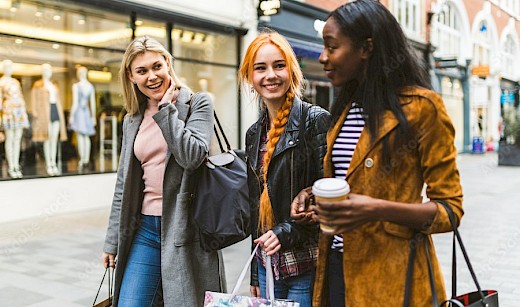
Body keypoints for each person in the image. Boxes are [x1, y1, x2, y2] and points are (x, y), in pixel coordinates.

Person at [290, 1, 463, 306]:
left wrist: (376, 208)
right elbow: (353, 181)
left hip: (393, 279)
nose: (323, 57)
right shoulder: (345, 107)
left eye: (332, 47)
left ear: (366, 48)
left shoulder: (423, 108)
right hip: (336, 269)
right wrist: (313, 195)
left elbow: (450, 211)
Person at [101, 36, 223, 307]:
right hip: (144, 228)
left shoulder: (197, 103)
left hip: (186, 227)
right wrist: (112, 241)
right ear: (131, 77)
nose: (152, 76)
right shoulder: (132, 118)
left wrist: (167, 111)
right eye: (142, 71)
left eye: (157, 66)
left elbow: (191, 156)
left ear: (168, 63)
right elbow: (123, 182)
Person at [239, 30, 331, 306]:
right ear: (249, 77)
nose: (271, 75)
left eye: (279, 65)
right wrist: (255, 274)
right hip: (267, 264)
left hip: (306, 262)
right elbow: (257, 206)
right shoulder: (254, 134)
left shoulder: (315, 121)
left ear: (292, 70)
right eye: (261, 68)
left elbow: (327, 195)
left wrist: (286, 232)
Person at [31, 63, 67, 176]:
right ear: (42, 71)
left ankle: (53, 163)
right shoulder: (37, 85)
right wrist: (35, 114)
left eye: (49, 70)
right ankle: (48, 164)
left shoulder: (53, 85)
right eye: (45, 70)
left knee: (54, 139)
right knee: (47, 138)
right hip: (44, 114)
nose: (48, 72)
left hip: (55, 111)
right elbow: (33, 101)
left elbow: (58, 101)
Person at [0, 59, 30, 178]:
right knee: (10, 138)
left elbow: (21, 98)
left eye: (11, 66)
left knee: (17, 139)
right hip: (8, 113)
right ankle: (11, 165)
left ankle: (16, 164)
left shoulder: (16, 82)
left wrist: (24, 114)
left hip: (19, 113)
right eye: (7, 66)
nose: (9, 69)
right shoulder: (1, 82)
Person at [69, 66, 96, 171]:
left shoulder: (76, 86)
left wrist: (71, 115)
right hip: (87, 113)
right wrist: (93, 116)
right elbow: (92, 104)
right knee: (86, 137)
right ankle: (86, 159)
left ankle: (82, 159)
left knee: (81, 137)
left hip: (80, 113)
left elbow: (75, 103)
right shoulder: (90, 86)